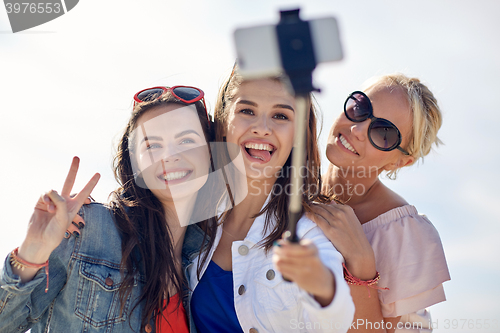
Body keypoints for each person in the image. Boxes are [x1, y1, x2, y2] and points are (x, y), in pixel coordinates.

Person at [0, 86, 219, 333]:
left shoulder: (208, 261)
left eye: (187, 140)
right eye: (153, 146)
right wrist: (32, 253)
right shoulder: (86, 230)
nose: (170, 155)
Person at [187, 67, 355, 333]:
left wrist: (323, 285)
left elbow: (337, 319)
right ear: (222, 123)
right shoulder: (192, 211)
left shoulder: (308, 230)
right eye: (247, 111)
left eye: (280, 115)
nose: (262, 128)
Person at [311, 74, 450, 332]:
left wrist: (361, 264)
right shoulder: (287, 189)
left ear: (399, 161)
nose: (357, 129)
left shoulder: (403, 234)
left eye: (383, 132)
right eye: (360, 108)